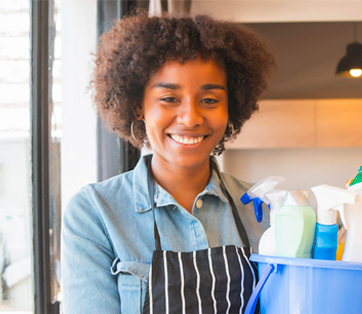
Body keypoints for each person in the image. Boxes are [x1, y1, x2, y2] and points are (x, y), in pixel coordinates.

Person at [61, 11, 275, 314]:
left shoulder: (267, 209)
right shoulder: (95, 213)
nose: (191, 118)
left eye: (210, 100)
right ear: (138, 106)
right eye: (169, 99)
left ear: (231, 106)